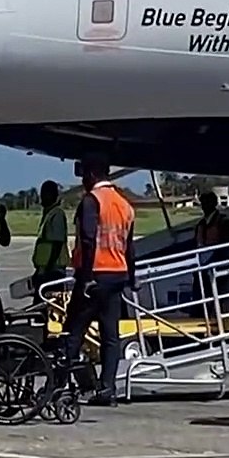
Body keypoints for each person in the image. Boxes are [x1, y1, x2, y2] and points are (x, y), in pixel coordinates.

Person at [63, 153, 136, 407]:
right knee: (110, 336)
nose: (83, 179)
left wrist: (84, 278)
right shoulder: (125, 205)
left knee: (73, 331)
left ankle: (58, 386)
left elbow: (88, 239)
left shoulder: (92, 201)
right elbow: (129, 246)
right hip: (118, 274)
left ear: (93, 175)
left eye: (84, 174)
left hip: (96, 275)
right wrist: (132, 277)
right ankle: (108, 389)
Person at [31, 181, 71, 291]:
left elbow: (57, 244)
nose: (42, 196)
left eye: (45, 193)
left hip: (53, 270)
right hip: (45, 269)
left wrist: (47, 269)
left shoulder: (57, 214)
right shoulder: (48, 213)